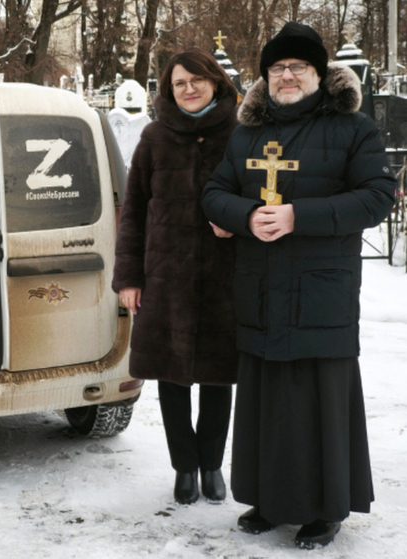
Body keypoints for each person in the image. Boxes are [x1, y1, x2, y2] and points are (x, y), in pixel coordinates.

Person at [201, 22, 396, 548]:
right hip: (261, 289)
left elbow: (378, 195)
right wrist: (244, 215)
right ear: (266, 77)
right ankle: (268, 500)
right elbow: (215, 192)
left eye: (298, 67)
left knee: (319, 402)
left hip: (320, 291)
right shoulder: (245, 133)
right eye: (278, 68)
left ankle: (323, 509)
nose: (287, 76)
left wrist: (296, 216)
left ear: (318, 73)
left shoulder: (353, 128)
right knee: (265, 399)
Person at [112, 48, 239, 506]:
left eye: (197, 80)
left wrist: (238, 222)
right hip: (165, 276)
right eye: (179, 83)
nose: (189, 89)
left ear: (215, 81)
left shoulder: (240, 134)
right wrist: (128, 277)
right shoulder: (153, 137)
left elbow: (261, 198)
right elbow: (134, 213)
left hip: (224, 276)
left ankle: (212, 464)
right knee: (172, 376)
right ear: (168, 90)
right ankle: (184, 466)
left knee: (219, 377)